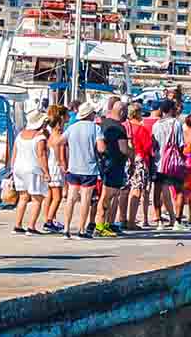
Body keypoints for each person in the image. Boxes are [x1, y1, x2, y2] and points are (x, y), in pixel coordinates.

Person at [62, 99, 104, 239]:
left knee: (71, 198)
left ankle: (66, 229)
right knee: (86, 199)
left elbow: (60, 142)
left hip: (73, 167)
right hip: (89, 168)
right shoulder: (95, 128)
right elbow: (101, 148)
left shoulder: (72, 127)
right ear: (90, 114)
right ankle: (81, 229)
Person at [9, 108, 50, 234]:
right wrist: (46, 172)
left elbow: (14, 153)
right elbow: (41, 156)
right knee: (37, 198)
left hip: (18, 168)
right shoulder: (40, 137)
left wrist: (12, 169)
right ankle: (31, 227)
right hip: (33, 169)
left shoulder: (20, 135)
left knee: (23, 197)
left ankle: (18, 225)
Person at [95, 98, 130, 237]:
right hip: (114, 165)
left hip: (104, 164)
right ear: (121, 112)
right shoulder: (119, 128)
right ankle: (101, 225)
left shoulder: (103, 124)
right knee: (108, 196)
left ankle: (103, 224)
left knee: (106, 195)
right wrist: (131, 154)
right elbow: (124, 149)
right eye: (126, 111)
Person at [151, 99, 185, 227]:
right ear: (171, 110)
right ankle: (178, 221)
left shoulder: (156, 125)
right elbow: (180, 145)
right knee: (179, 190)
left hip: (159, 162)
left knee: (157, 190)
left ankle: (159, 220)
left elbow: (154, 145)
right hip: (173, 162)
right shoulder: (176, 123)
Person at [125, 102, 155, 229]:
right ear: (136, 113)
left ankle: (124, 219)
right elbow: (148, 147)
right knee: (137, 190)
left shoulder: (125, 126)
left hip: (126, 160)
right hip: (140, 160)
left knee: (125, 191)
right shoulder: (141, 129)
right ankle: (131, 221)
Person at [41, 104, 69, 233]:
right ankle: (49, 221)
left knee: (49, 196)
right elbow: (60, 157)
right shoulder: (59, 137)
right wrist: (65, 167)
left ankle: (48, 218)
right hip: (56, 168)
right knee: (57, 197)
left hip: (49, 166)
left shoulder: (50, 135)